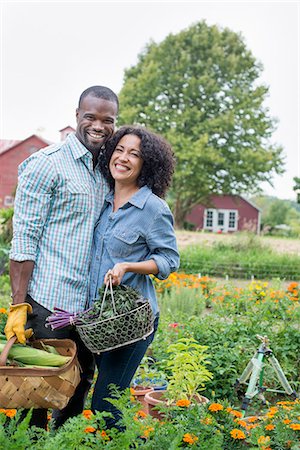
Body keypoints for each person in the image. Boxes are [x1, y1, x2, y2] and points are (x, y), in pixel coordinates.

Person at [4, 85, 119, 429]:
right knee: (37, 394)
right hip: (47, 304)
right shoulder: (46, 165)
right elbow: (24, 239)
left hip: (85, 309)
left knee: (79, 386)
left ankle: (61, 440)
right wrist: (18, 305)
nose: (99, 125)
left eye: (107, 119)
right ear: (77, 116)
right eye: (91, 117)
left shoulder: (107, 171)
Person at [88, 125, 180, 428]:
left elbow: (169, 259)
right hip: (101, 320)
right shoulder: (101, 200)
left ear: (146, 163)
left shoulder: (153, 209)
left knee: (105, 402)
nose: (123, 158)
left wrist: (129, 266)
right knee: (108, 399)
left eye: (134, 154)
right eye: (119, 150)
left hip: (133, 321)